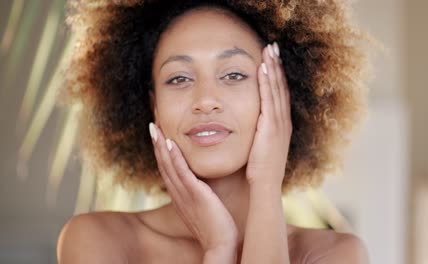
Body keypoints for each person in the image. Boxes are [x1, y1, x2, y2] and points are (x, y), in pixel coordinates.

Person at [57, 0, 371, 263]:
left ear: (281, 93)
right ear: (153, 105)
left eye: (234, 74)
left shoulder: (333, 255)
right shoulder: (100, 242)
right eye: (178, 79)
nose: (205, 101)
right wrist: (219, 248)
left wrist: (266, 184)